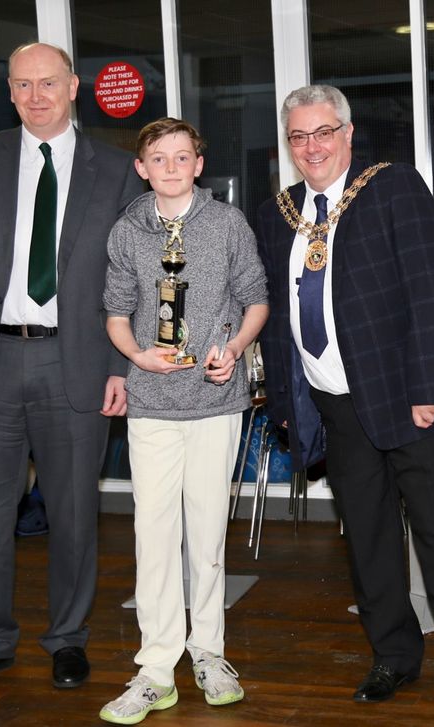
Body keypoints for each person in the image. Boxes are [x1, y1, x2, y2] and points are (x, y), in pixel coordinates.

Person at [255, 85, 434, 727]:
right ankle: (394, 655)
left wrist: (429, 391)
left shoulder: (393, 187)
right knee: (368, 541)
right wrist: (284, 397)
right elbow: (276, 314)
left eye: (323, 132)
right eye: (299, 137)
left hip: (409, 403)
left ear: (348, 132)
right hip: (334, 405)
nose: (312, 147)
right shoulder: (280, 211)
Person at [0, 42, 145, 692]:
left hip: (75, 361)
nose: (36, 96)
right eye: (22, 85)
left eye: (48, 83)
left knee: (74, 512)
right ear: (11, 91)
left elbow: (128, 275)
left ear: (73, 86)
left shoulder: (114, 169)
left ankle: (67, 638)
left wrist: (119, 365)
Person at [99, 117, 267, 723]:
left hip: (214, 401)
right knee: (154, 536)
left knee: (206, 537)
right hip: (151, 402)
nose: (170, 167)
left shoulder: (228, 224)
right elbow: (116, 311)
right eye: (157, 158)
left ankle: (210, 653)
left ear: (199, 163)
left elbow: (256, 298)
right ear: (142, 168)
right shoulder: (126, 231)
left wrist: (235, 348)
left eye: (181, 157)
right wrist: (137, 354)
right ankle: (155, 668)